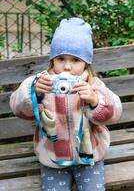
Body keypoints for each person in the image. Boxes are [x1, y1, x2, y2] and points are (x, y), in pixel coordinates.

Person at [10, 17, 122, 191]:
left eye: (76, 60)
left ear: (86, 62)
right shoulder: (42, 83)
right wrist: (33, 93)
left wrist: (95, 100)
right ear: (52, 59)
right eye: (61, 58)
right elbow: (18, 109)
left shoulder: (93, 85)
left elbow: (115, 112)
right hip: (52, 158)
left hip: (89, 158)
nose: (67, 67)